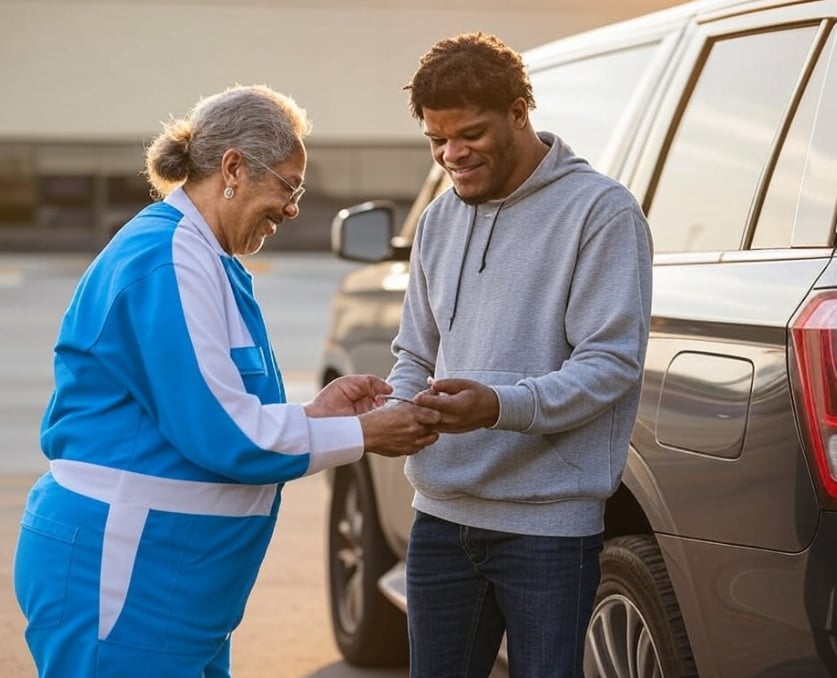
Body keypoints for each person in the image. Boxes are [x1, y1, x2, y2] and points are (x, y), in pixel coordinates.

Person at [13, 84, 440, 678]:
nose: (293, 208)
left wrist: (320, 415)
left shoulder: (211, 261)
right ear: (234, 167)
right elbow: (227, 436)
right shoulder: (168, 262)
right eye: (289, 186)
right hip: (126, 577)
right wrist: (364, 435)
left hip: (176, 587)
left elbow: (221, 409)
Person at [385, 33, 654, 677]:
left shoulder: (601, 213)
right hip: (440, 518)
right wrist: (396, 409)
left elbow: (611, 364)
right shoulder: (439, 220)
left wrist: (499, 406)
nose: (452, 155)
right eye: (436, 140)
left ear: (518, 111)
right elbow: (414, 351)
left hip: (548, 528)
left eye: (469, 134)